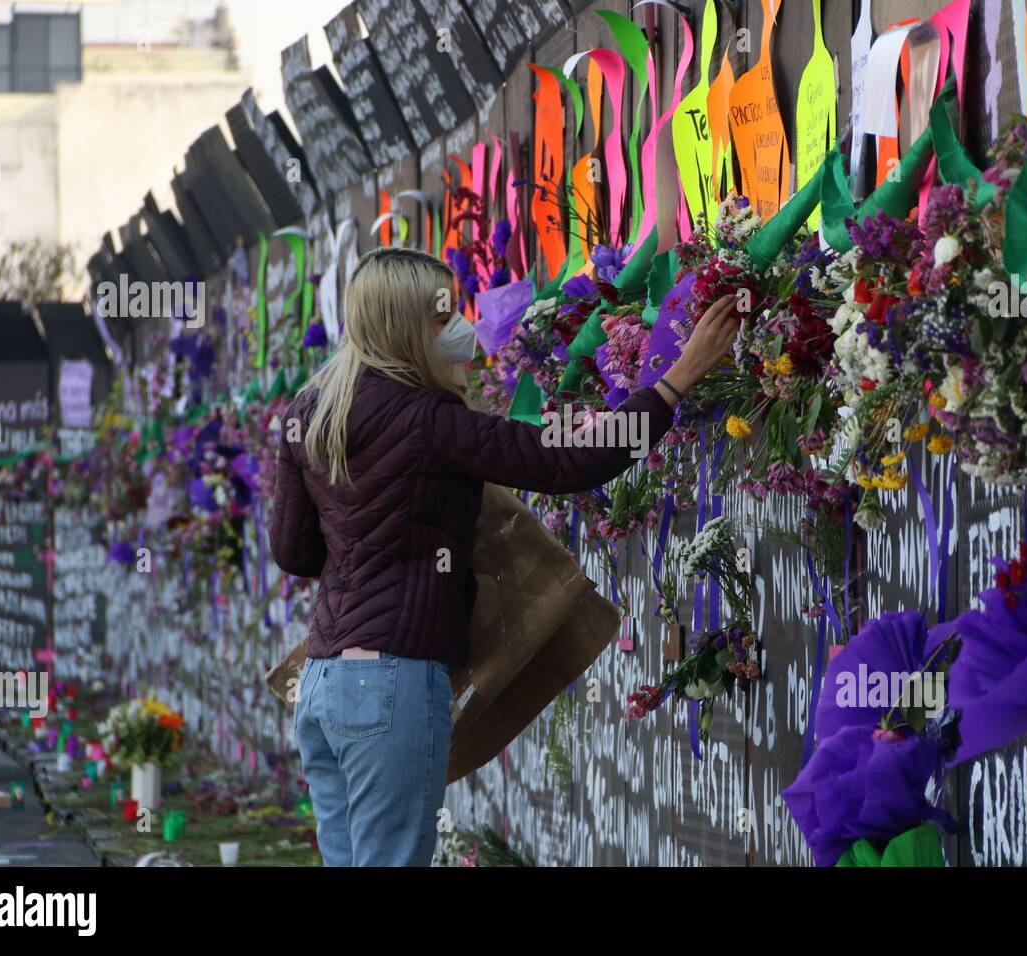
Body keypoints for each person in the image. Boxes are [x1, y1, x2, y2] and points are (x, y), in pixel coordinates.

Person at [270, 246, 740, 866]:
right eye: (443, 317)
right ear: (405, 326)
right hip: (392, 683)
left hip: (324, 684)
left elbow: (294, 551)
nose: (459, 326)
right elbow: (566, 459)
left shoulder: (311, 412)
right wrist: (676, 380)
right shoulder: (428, 419)